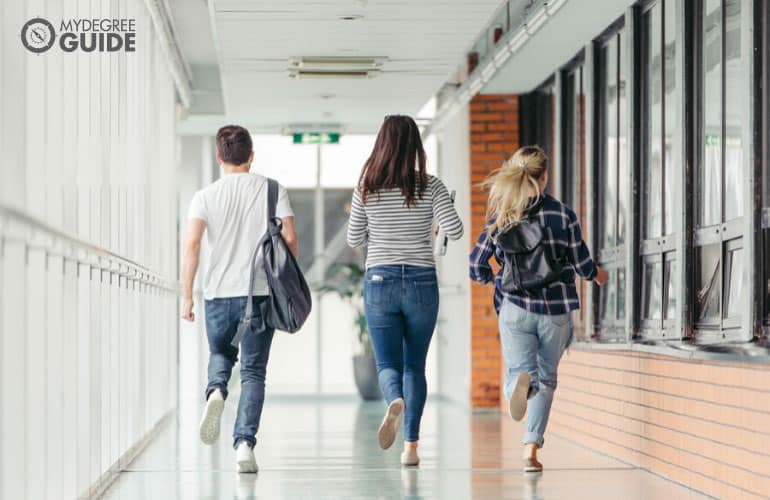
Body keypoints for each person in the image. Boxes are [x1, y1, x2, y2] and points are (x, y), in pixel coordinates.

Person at [469, 145, 607, 473]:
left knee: (519, 371)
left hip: (515, 306)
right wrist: (598, 276)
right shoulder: (563, 214)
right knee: (547, 378)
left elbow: (475, 264)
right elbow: (583, 263)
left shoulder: (502, 215)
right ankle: (530, 448)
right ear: (544, 177)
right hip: (556, 311)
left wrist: (495, 280)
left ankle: (520, 383)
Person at [347, 115, 463, 466]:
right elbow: (455, 231)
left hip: (380, 281)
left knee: (387, 364)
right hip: (421, 281)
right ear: (415, 145)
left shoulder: (366, 186)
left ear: (381, 144)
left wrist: (379, 232)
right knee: (415, 366)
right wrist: (433, 227)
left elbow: (354, 239)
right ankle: (410, 448)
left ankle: (394, 398)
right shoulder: (431, 185)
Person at [181, 125, 298, 473]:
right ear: (251, 156)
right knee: (253, 372)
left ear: (219, 157)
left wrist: (187, 296)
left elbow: (192, 245)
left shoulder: (203, 196)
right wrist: (289, 278)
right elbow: (290, 238)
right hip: (259, 293)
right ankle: (244, 445)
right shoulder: (272, 189)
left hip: (217, 293)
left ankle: (216, 391)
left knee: (220, 353)